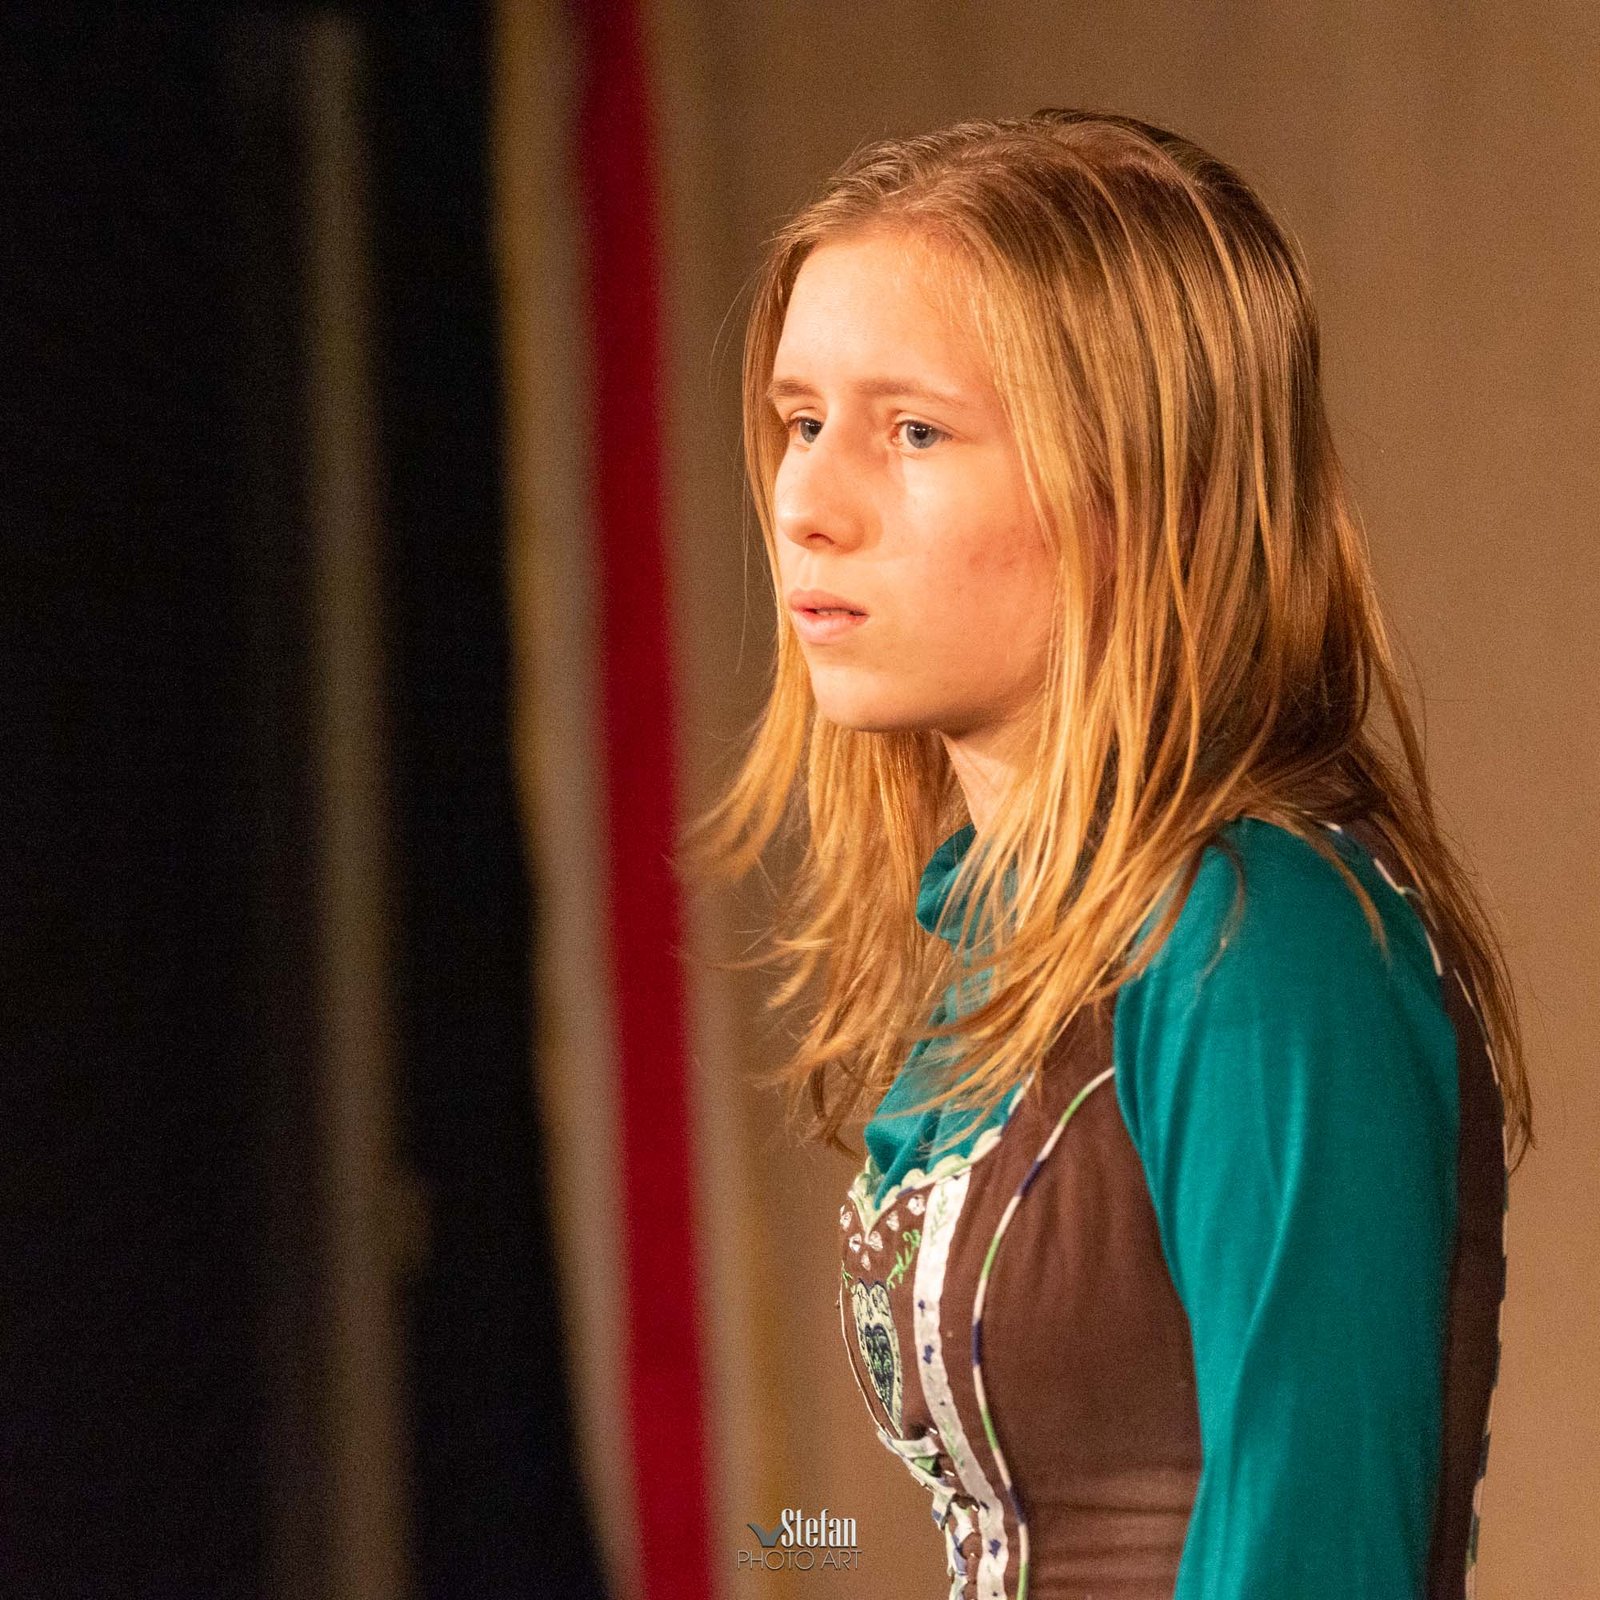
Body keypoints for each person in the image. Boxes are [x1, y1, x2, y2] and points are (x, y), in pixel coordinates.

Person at [680, 108, 1533, 1600]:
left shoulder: (1260, 940)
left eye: (913, 431)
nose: (806, 505)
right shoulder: (1019, 939)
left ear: (1139, 487)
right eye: (800, 422)